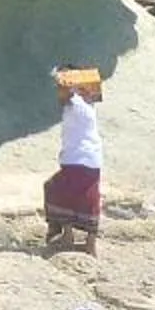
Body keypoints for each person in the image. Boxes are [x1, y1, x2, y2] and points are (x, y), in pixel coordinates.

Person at [42, 66, 105, 253]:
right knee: (88, 198)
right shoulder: (87, 105)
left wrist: (59, 76)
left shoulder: (77, 103)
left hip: (78, 158)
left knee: (57, 190)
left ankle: (68, 236)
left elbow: (69, 93)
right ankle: (89, 243)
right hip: (90, 158)